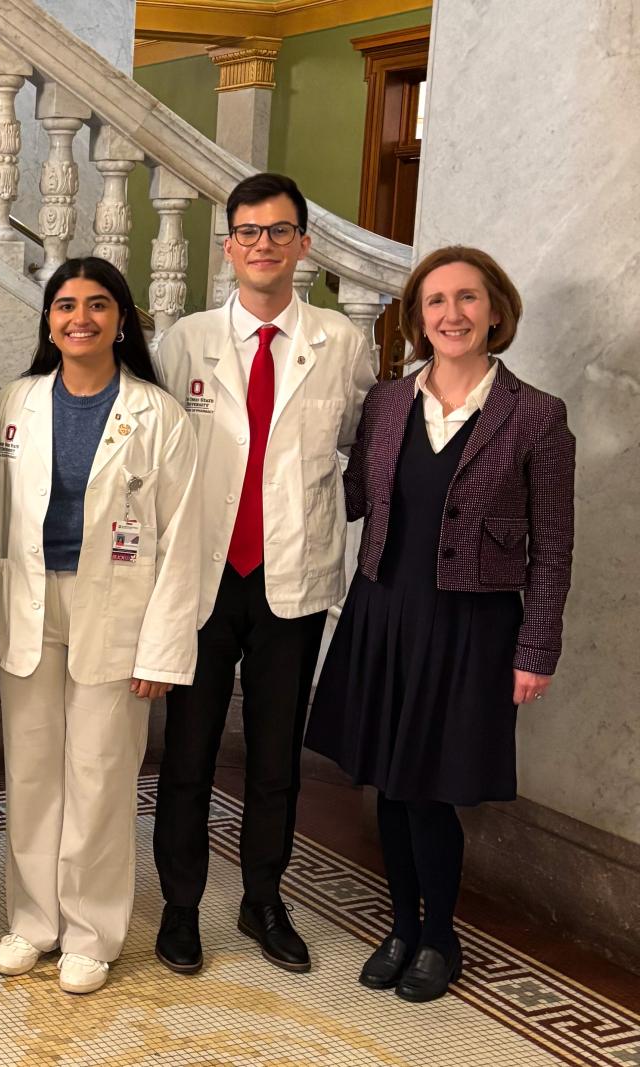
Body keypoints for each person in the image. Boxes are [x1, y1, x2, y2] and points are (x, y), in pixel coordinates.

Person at [306, 247, 574, 1002]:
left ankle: (438, 936)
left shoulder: (536, 416)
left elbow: (554, 545)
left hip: (471, 625)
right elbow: (351, 495)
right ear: (419, 317)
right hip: (384, 609)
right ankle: (398, 925)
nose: (451, 314)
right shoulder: (388, 403)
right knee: (388, 785)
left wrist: (537, 647)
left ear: (496, 310)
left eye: (467, 298)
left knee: (429, 787)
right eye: (435, 301)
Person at [151, 172, 377, 976]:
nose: (262, 245)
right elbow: (161, 457)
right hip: (204, 580)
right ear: (227, 245)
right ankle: (180, 908)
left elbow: (357, 449)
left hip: (292, 578)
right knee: (188, 750)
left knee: (276, 754)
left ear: (303, 245)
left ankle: (263, 899)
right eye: (248, 231)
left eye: (279, 231)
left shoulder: (344, 344)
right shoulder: (185, 343)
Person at [0, 257, 200, 994]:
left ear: (122, 319)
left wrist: (162, 646)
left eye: (97, 305)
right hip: (29, 602)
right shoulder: (13, 405)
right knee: (31, 772)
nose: (80, 318)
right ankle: (34, 921)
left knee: (99, 774)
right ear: (49, 321)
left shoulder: (158, 414)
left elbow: (182, 536)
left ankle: (92, 931)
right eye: (65, 306)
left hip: (116, 610)